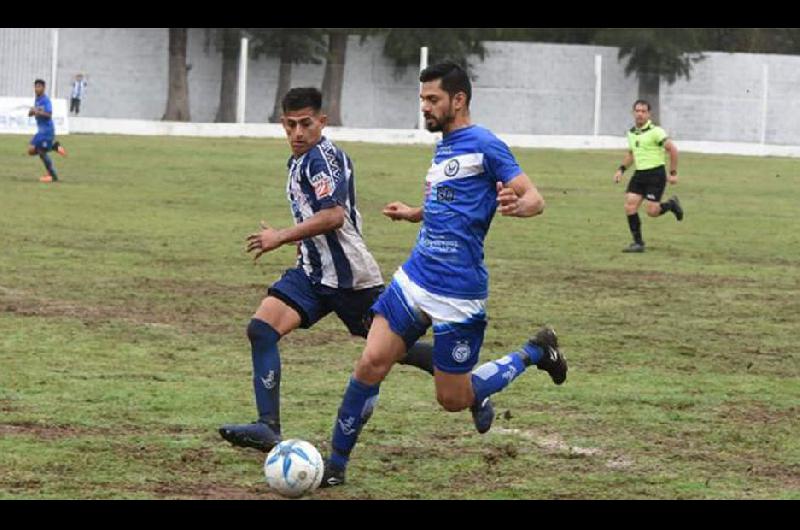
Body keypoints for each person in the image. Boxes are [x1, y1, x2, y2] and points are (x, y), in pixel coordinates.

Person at [318, 62, 568, 488]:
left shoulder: (487, 145)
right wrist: (415, 213)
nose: (425, 108)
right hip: (415, 277)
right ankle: (335, 468)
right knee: (370, 363)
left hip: (459, 293)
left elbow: (535, 197)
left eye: (432, 100)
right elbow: (449, 204)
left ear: (459, 100)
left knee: (453, 399)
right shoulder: (445, 146)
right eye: (422, 100)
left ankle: (534, 352)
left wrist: (522, 205)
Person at [218, 87, 440, 453]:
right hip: (312, 272)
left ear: (322, 121)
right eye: (290, 125)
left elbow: (334, 216)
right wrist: (297, 245)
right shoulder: (300, 160)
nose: (297, 133)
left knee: (391, 348)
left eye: (306, 124)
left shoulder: (321, 158)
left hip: (349, 277)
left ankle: (465, 378)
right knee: (262, 329)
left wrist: (280, 237)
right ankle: (267, 426)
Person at [613, 100, 683, 253]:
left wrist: (673, 173)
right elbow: (632, 154)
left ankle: (671, 204)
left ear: (649, 114)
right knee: (630, 206)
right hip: (639, 174)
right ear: (633, 113)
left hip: (655, 174)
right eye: (637, 111)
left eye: (643, 111)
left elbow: (673, 150)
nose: (640, 114)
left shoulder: (656, 132)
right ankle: (638, 243)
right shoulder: (631, 133)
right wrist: (621, 169)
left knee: (652, 212)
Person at [28, 79, 67, 183]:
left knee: (41, 152)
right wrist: (31, 112)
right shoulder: (37, 100)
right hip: (41, 131)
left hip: (47, 130)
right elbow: (31, 114)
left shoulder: (46, 100)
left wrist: (38, 111)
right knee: (31, 151)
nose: (37, 89)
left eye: (39, 87)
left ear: (44, 88)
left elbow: (49, 114)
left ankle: (53, 176)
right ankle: (54, 147)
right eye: (36, 87)